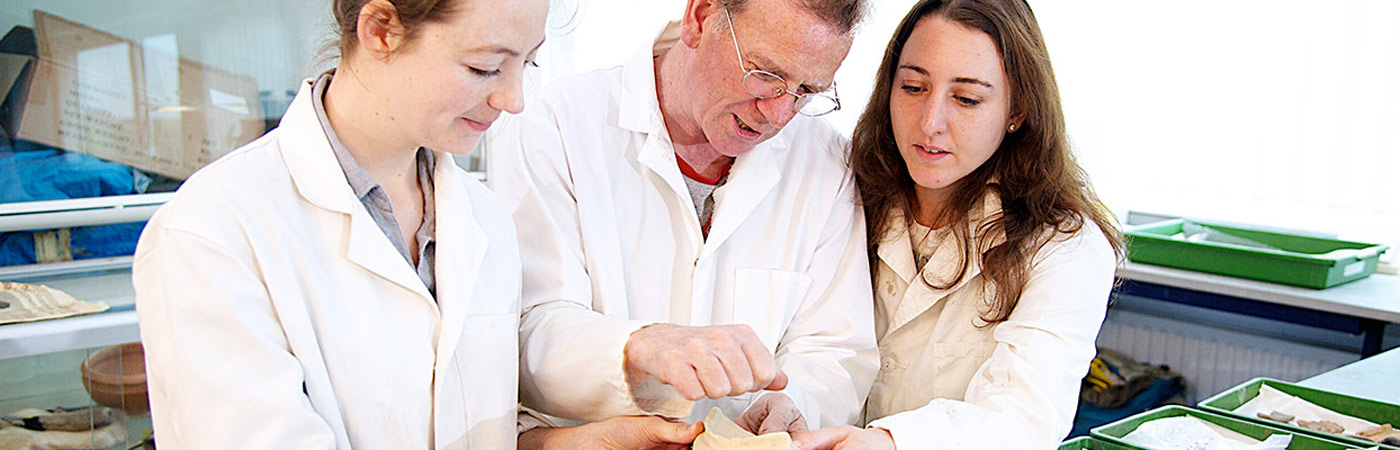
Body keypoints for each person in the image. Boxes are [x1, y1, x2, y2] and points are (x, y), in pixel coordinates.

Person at [132, 0, 546, 447]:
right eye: (484, 68)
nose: (513, 100)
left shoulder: (483, 216)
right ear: (381, 31)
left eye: (529, 62)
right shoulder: (214, 229)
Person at [492, 0, 879, 434]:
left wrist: (791, 403)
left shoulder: (825, 163)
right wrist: (638, 349)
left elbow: (836, 349)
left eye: (806, 91)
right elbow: (527, 328)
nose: (779, 114)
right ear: (700, 17)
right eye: (766, 75)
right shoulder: (556, 125)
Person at [793, 0, 1124, 448]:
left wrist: (892, 442)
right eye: (912, 87)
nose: (931, 123)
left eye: (966, 99)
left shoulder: (1064, 245)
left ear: (1017, 111)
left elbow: (1024, 417)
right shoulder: (843, 189)